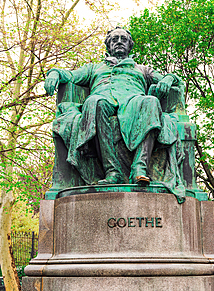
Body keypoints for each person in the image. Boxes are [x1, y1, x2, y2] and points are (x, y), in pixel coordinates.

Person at [44, 27, 185, 200]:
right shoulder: (94, 68)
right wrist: (54, 72)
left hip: (134, 102)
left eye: (123, 39)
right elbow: (70, 76)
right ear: (108, 46)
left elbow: (171, 78)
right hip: (102, 100)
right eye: (114, 39)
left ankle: (139, 167)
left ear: (130, 45)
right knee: (94, 102)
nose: (119, 41)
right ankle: (112, 171)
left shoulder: (141, 69)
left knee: (151, 101)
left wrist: (169, 78)